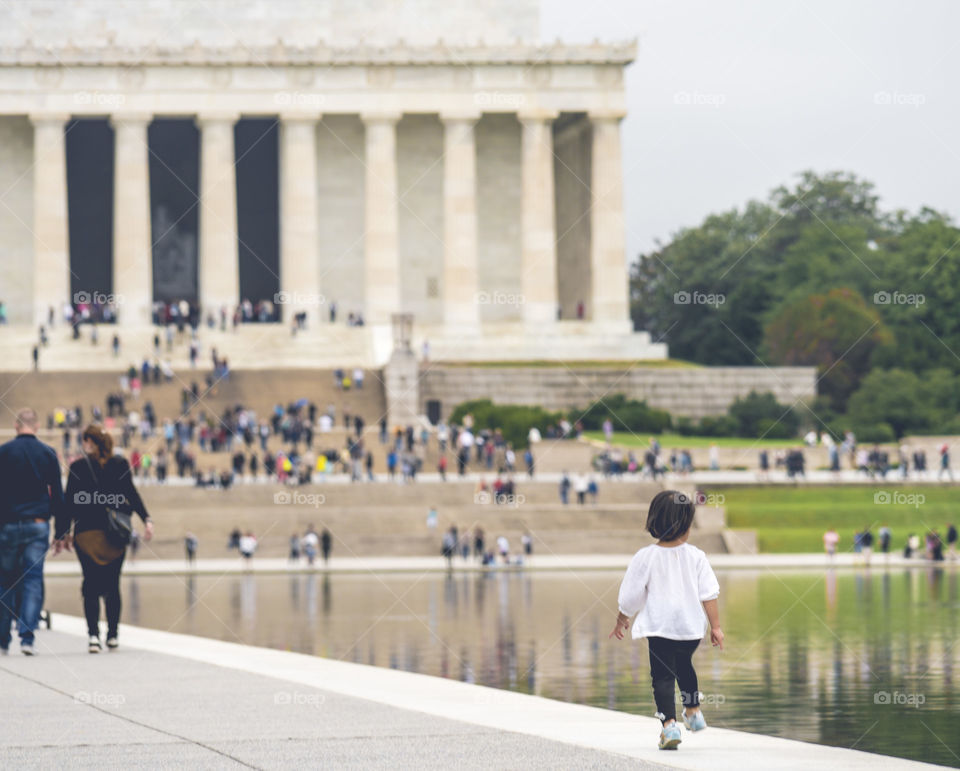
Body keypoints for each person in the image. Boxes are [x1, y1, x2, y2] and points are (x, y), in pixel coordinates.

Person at [610, 491, 722, 751]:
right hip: (690, 629)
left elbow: (631, 596)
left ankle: (670, 726)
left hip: (660, 628)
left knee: (662, 676)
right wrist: (716, 627)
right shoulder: (696, 556)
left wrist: (622, 618)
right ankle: (693, 712)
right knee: (684, 666)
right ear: (687, 525)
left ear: (654, 521)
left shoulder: (645, 557)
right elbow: (709, 594)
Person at [57, 424, 153, 653]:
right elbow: (131, 493)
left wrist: (63, 532)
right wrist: (146, 519)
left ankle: (93, 636)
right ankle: (112, 635)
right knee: (113, 584)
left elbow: (69, 502)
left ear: (92, 442)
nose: (83, 444)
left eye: (85, 440)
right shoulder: (119, 464)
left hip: (86, 534)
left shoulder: (78, 466)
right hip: (115, 534)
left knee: (90, 584)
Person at [0, 408, 64, 655]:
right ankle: (27, 638)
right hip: (37, 523)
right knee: (33, 580)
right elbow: (58, 495)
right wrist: (60, 531)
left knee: (5, 582)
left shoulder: (4, 452)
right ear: (36, 426)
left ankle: (3, 640)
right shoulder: (47, 453)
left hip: (8, 524)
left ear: (16, 426)